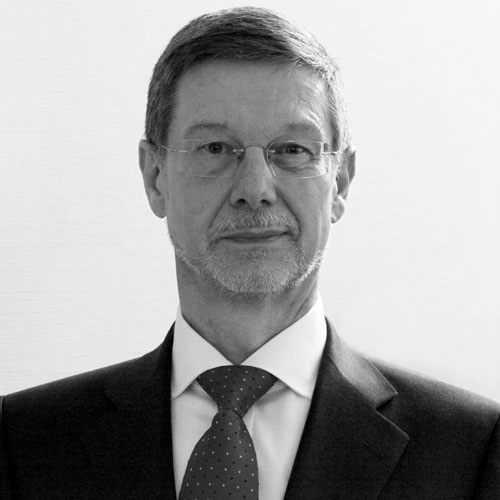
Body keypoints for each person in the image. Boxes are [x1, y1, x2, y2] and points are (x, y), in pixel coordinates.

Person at [1, 6, 499, 499]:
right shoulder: (21, 444)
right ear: (155, 178)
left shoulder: (474, 450)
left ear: (340, 182)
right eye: (216, 148)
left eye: (293, 150)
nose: (255, 189)